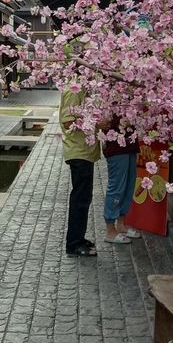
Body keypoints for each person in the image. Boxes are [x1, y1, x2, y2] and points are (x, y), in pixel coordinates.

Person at [59, 86, 100, 257]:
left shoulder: (84, 90)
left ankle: (78, 239)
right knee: (80, 199)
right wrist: (97, 123)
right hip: (79, 153)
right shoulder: (74, 91)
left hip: (85, 152)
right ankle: (74, 243)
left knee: (84, 197)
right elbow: (68, 122)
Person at [103, 121, 140, 244]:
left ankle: (121, 224)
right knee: (117, 188)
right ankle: (110, 230)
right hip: (116, 147)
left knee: (129, 187)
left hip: (130, 144)